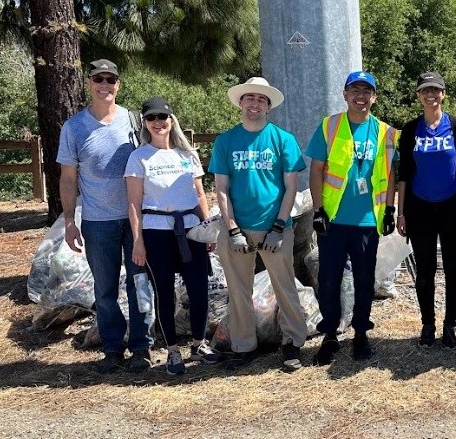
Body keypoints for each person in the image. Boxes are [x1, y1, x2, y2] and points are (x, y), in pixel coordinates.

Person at [209, 77, 308, 371]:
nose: (255, 104)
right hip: (237, 228)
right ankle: (243, 345)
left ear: (268, 106)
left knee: (285, 287)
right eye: (250, 98)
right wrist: (232, 228)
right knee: (238, 290)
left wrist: (279, 226)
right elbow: (221, 188)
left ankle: (292, 344)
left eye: (261, 100)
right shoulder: (226, 141)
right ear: (241, 103)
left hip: (274, 227)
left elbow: (291, 187)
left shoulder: (282, 139)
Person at [58, 59, 150, 374]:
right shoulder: (74, 127)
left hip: (136, 221)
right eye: (99, 79)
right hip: (98, 223)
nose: (105, 85)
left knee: (140, 284)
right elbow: (68, 178)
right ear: (89, 83)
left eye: (111, 80)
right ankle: (112, 348)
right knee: (105, 289)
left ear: (118, 85)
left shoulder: (135, 122)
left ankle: (142, 347)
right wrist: (69, 221)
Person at [307, 70, 398, 366]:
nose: (361, 96)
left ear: (374, 97)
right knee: (329, 279)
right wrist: (319, 209)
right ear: (345, 95)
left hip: (367, 221)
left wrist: (391, 210)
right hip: (333, 219)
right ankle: (330, 334)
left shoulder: (385, 132)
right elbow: (317, 169)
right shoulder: (330, 126)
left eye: (366, 91)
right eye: (354, 90)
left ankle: (361, 332)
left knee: (363, 280)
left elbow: (391, 173)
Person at [125, 97, 211, 376]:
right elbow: (134, 204)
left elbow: (199, 194)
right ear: (145, 123)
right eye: (152, 118)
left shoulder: (188, 155)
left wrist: (207, 226)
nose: (158, 123)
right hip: (156, 232)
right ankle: (172, 351)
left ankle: (199, 343)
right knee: (164, 293)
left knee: (199, 289)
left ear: (172, 120)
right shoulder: (138, 157)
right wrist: (138, 241)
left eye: (163, 117)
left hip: (190, 229)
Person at [396, 71, 456, 349]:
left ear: (443, 94)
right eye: (425, 90)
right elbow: (403, 173)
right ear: (418, 95)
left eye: (435, 90)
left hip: (453, 207)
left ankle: (450, 325)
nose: (430, 95)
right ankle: (428, 325)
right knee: (425, 270)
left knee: (454, 269)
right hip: (420, 210)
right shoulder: (410, 130)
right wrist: (401, 212)